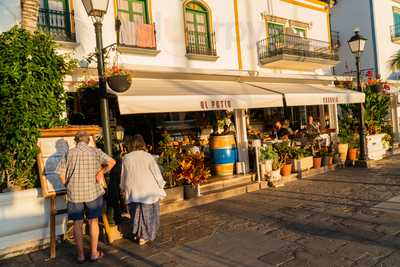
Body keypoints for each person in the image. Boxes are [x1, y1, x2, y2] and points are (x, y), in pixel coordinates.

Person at [57, 131, 116, 263]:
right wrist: (101, 172)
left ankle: (80, 255)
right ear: (88, 140)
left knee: (77, 224)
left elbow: (60, 173)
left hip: (74, 194)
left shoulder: (70, 153)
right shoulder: (96, 151)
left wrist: (67, 184)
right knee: (93, 221)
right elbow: (112, 162)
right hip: (93, 193)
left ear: (76, 140)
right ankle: (94, 253)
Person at [120, 134, 166, 245]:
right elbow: (156, 173)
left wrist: (122, 188)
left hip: (134, 190)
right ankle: (145, 235)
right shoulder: (148, 156)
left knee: (137, 214)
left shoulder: (126, 158)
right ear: (142, 144)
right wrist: (161, 185)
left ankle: (140, 235)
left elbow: (123, 176)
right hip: (149, 190)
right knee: (149, 214)